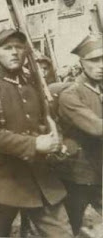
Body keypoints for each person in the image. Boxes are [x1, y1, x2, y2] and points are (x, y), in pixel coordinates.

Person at [0, 28, 72, 237]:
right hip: (2, 180)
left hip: (39, 177)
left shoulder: (34, 86)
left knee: (62, 233)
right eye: (7, 48)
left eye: (18, 47)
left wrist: (56, 142)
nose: (15, 52)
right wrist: (34, 144)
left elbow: (46, 122)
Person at [58, 34, 103, 236]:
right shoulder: (71, 94)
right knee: (71, 228)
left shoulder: (99, 88)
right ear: (81, 62)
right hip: (79, 174)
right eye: (94, 60)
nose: (101, 65)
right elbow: (96, 128)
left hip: (99, 171)